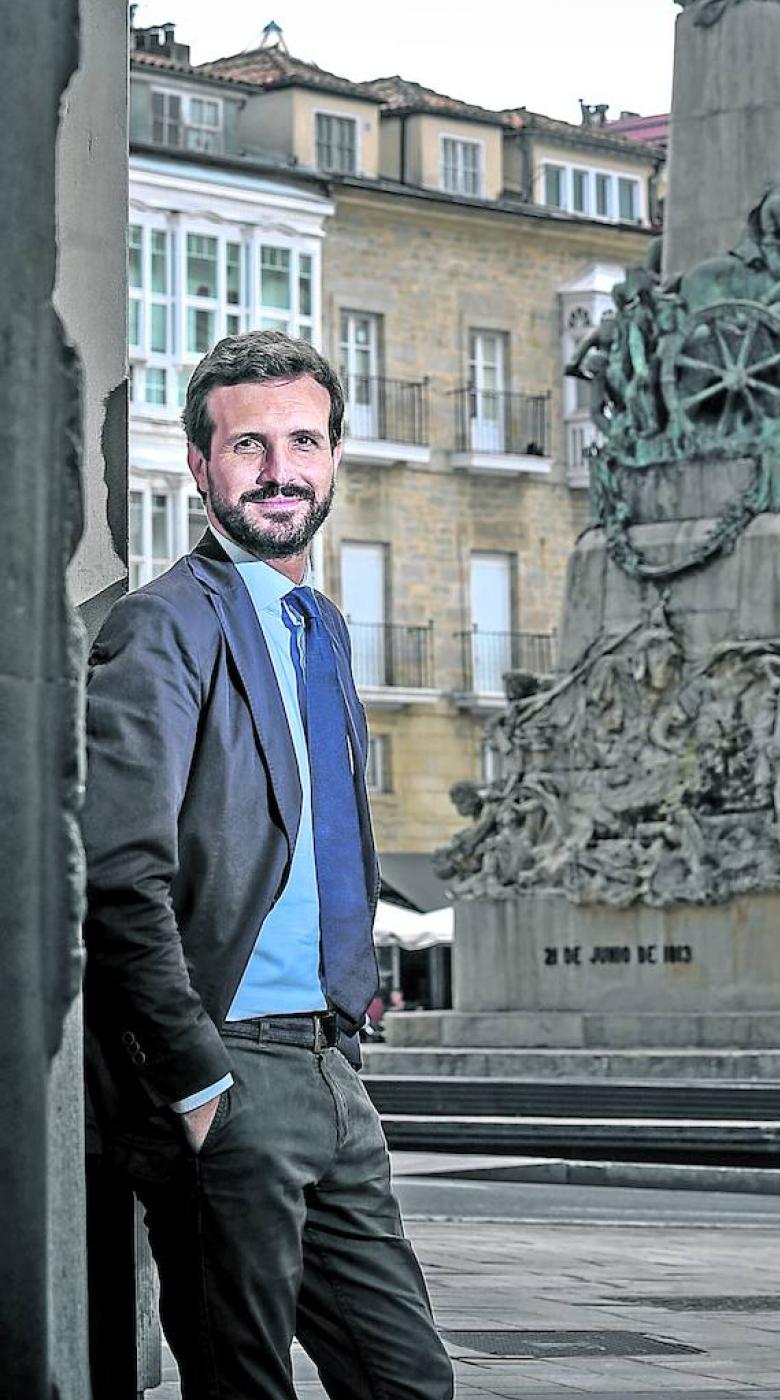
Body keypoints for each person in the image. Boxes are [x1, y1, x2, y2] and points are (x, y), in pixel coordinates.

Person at [82, 330, 454, 1400]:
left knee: (408, 1379)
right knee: (243, 1385)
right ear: (201, 467)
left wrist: (345, 1038)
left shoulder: (321, 627)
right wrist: (197, 1079)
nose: (281, 468)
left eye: (304, 439)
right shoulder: (162, 627)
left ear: (334, 456)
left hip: (331, 1070)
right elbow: (119, 872)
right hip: (227, 1067)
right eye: (250, 445)